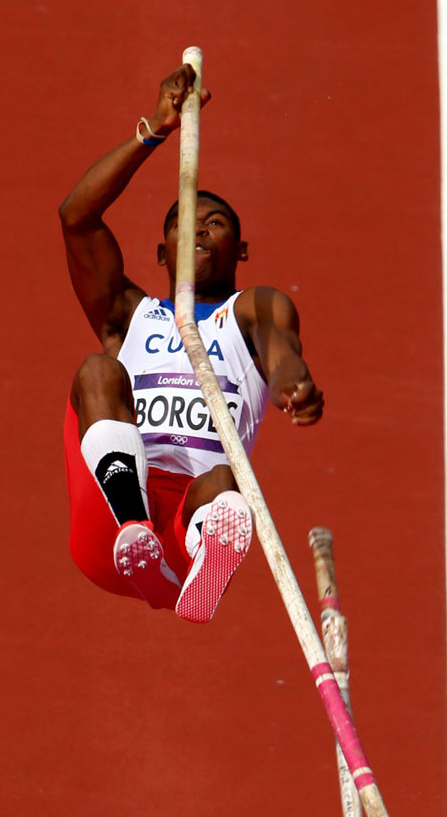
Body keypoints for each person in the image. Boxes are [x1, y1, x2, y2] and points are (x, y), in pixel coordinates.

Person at [59, 63, 324, 624]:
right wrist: (153, 130)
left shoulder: (253, 308)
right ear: (162, 253)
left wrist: (291, 382)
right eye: (183, 222)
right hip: (110, 523)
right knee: (98, 373)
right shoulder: (129, 316)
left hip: (188, 526)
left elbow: (279, 349)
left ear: (241, 249)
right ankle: (135, 531)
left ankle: (195, 567)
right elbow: (76, 218)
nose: (199, 229)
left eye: (216, 222)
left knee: (228, 486)